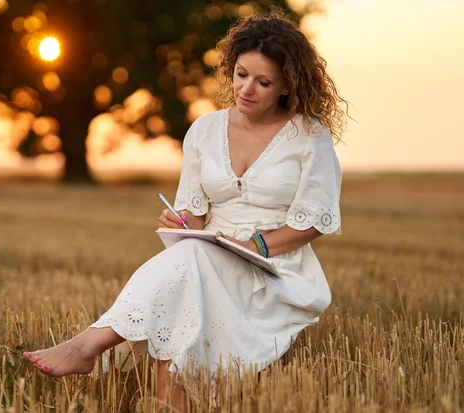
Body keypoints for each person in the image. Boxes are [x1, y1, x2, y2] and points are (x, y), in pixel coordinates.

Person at [24, 8, 349, 412]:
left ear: (286, 86)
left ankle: (88, 345)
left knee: (189, 262)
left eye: (263, 82)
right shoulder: (205, 130)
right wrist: (182, 223)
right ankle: (168, 401)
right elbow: (194, 214)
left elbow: (313, 221)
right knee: (190, 258)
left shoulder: (309, 136)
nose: (246, 88)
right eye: (241, 74)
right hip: (208, 252)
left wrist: (254, 245)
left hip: (274, 266)